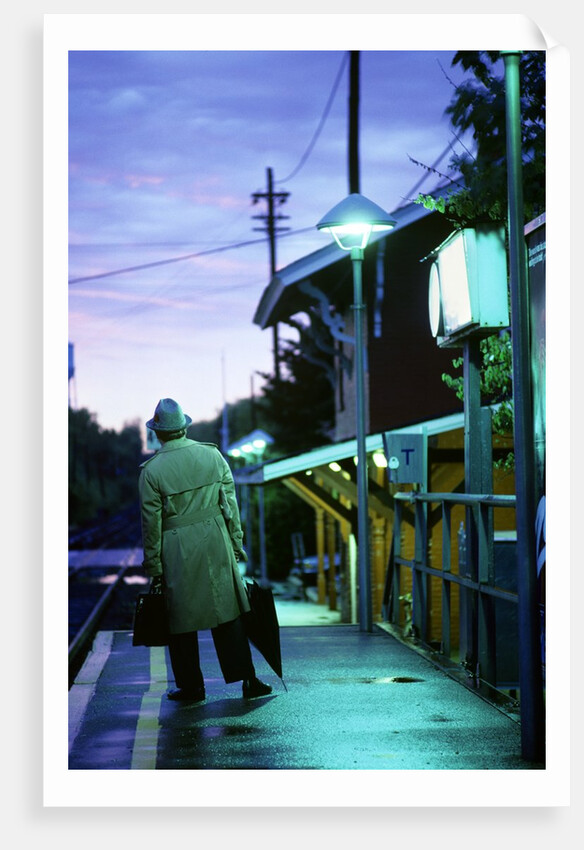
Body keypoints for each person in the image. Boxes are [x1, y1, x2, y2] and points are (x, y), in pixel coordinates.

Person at [138, 397, 272, 702]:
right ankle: (248, 680)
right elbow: (230, 504)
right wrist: (236, 542)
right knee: (228, 613)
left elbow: (151, 523)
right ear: (185, 427)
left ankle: (191, 686)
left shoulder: (152, 471)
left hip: (176, 547)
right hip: (215, 539)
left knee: (180, 620)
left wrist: (154, 566)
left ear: (158, 433)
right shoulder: (212, 456)